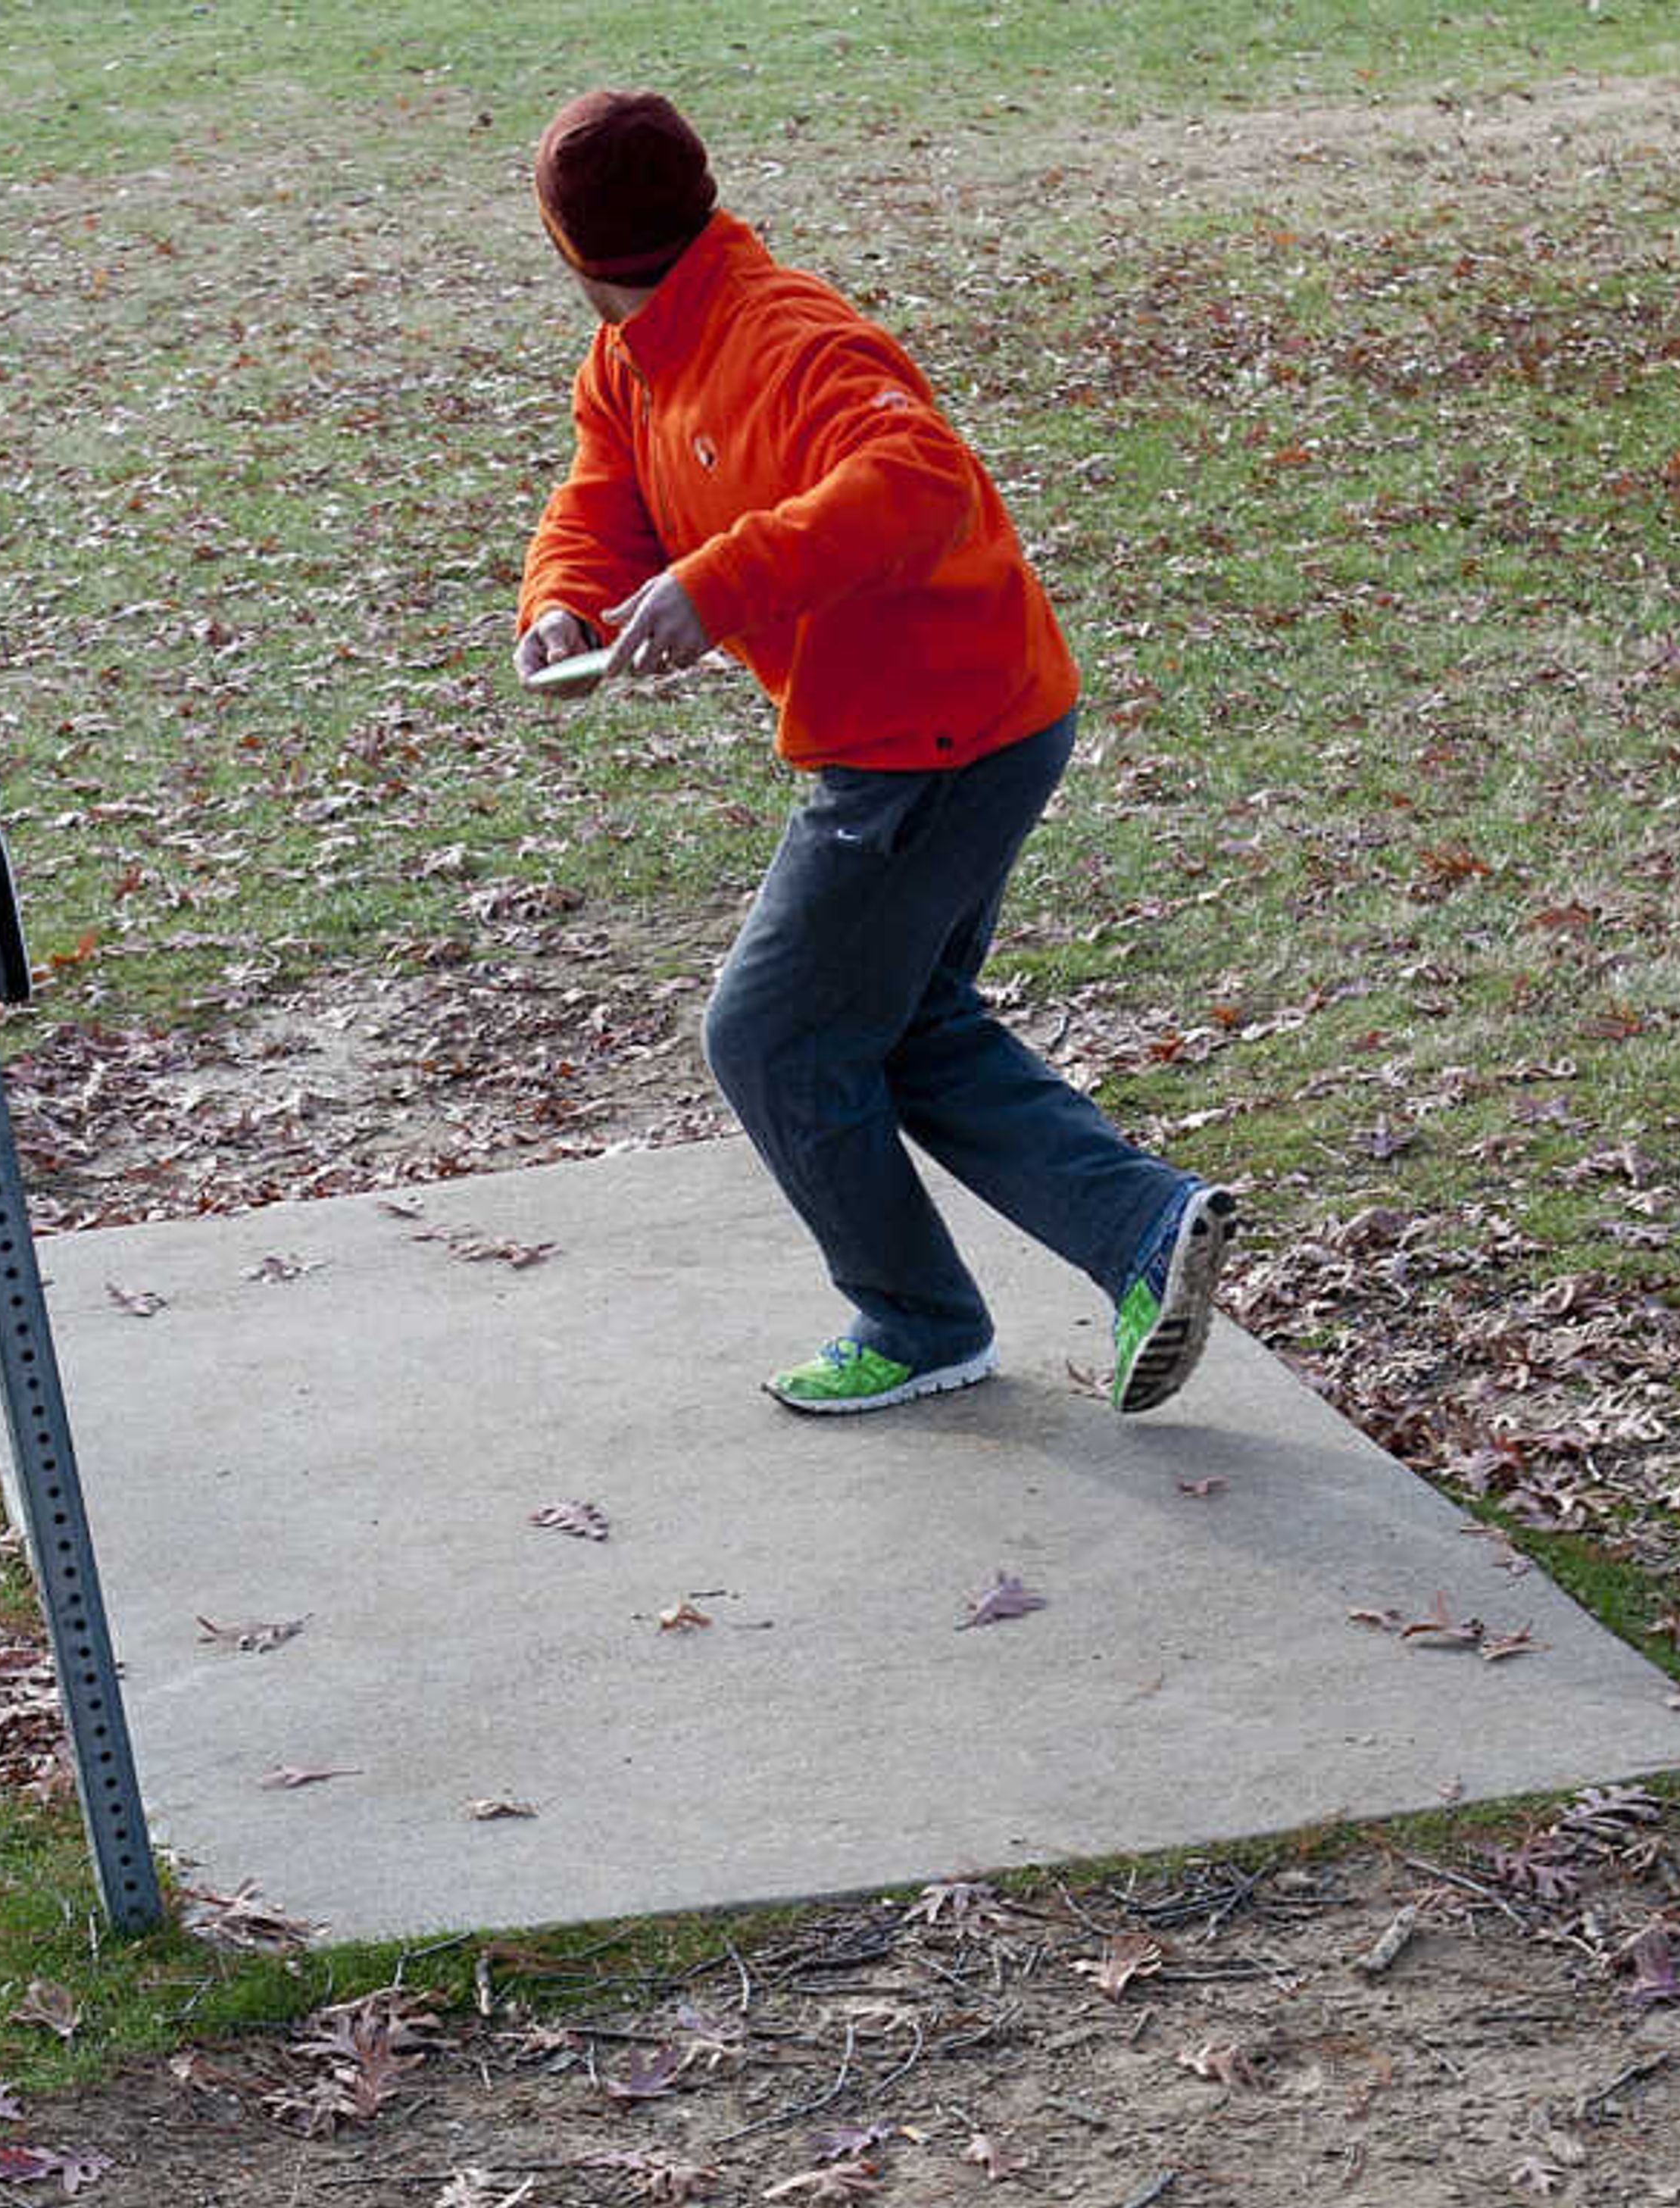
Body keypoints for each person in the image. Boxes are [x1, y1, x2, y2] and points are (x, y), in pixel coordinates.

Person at [513, 89, 1232, 1419]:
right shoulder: (638, 361)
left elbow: (916, 476)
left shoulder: (784, 338)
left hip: (937, 737)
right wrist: (562, 596)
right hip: (960, 718)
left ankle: (917, 1324)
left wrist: (718, 583)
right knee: (894, 1025)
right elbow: (600, 499)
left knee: (773, 1036)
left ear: (570, 252)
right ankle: (1144, 1233)